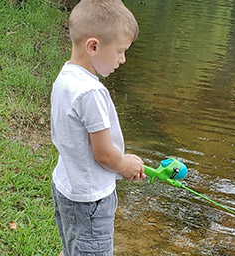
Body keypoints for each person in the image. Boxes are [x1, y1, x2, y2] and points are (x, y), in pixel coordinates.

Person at [50, 0, 146, 255]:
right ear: (93, 46)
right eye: (120, 51)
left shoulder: (66, 77)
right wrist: (125, 165)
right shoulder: (91, 92)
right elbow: (103, 153)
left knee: (72, 247)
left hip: (66, 186)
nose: (123, 59)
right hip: (90, 200)